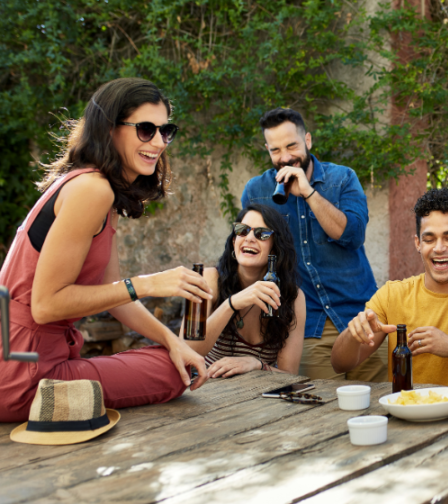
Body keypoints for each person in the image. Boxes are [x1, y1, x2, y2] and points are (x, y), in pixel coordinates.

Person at [0, 78, 212, 423]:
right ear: (109, 129)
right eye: (146, 129)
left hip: (30, 359)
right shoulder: (92, 190)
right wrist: (148, 283)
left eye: (166, 130)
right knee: (170, 373)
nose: (159, 142)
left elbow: (113, 294)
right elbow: (45, 305)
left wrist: (173, 340)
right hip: (22, 373)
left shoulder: (100, 190)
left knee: (174, 357)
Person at [241, 107, 387, 381]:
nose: (285, 157)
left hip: (363, 317)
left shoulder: (342, 178)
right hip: (308, 327)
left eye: (292, 146)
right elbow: (251, 256)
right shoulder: (256, 192)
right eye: (275, 150)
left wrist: (308, 192)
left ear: (307, 141)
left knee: (382, 405)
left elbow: (353, 235)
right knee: (325, 414)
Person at [331, 189, 448, 389]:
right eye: (429, 239)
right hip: (406, 415)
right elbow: (339, 364)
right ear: (418, 243)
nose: (439, 248)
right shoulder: (391, 296)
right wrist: (353, 335)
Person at [180, 204, 306, 377]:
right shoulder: (208, 280)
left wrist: (255, 364)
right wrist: (231, 304)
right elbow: (185, 351)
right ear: (234, 241)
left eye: (262, 233)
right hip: (208, 391)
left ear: (276, 248)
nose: (249, 238)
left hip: (259, 397)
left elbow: (289, 373)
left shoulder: (293, 297)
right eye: (242, 230)